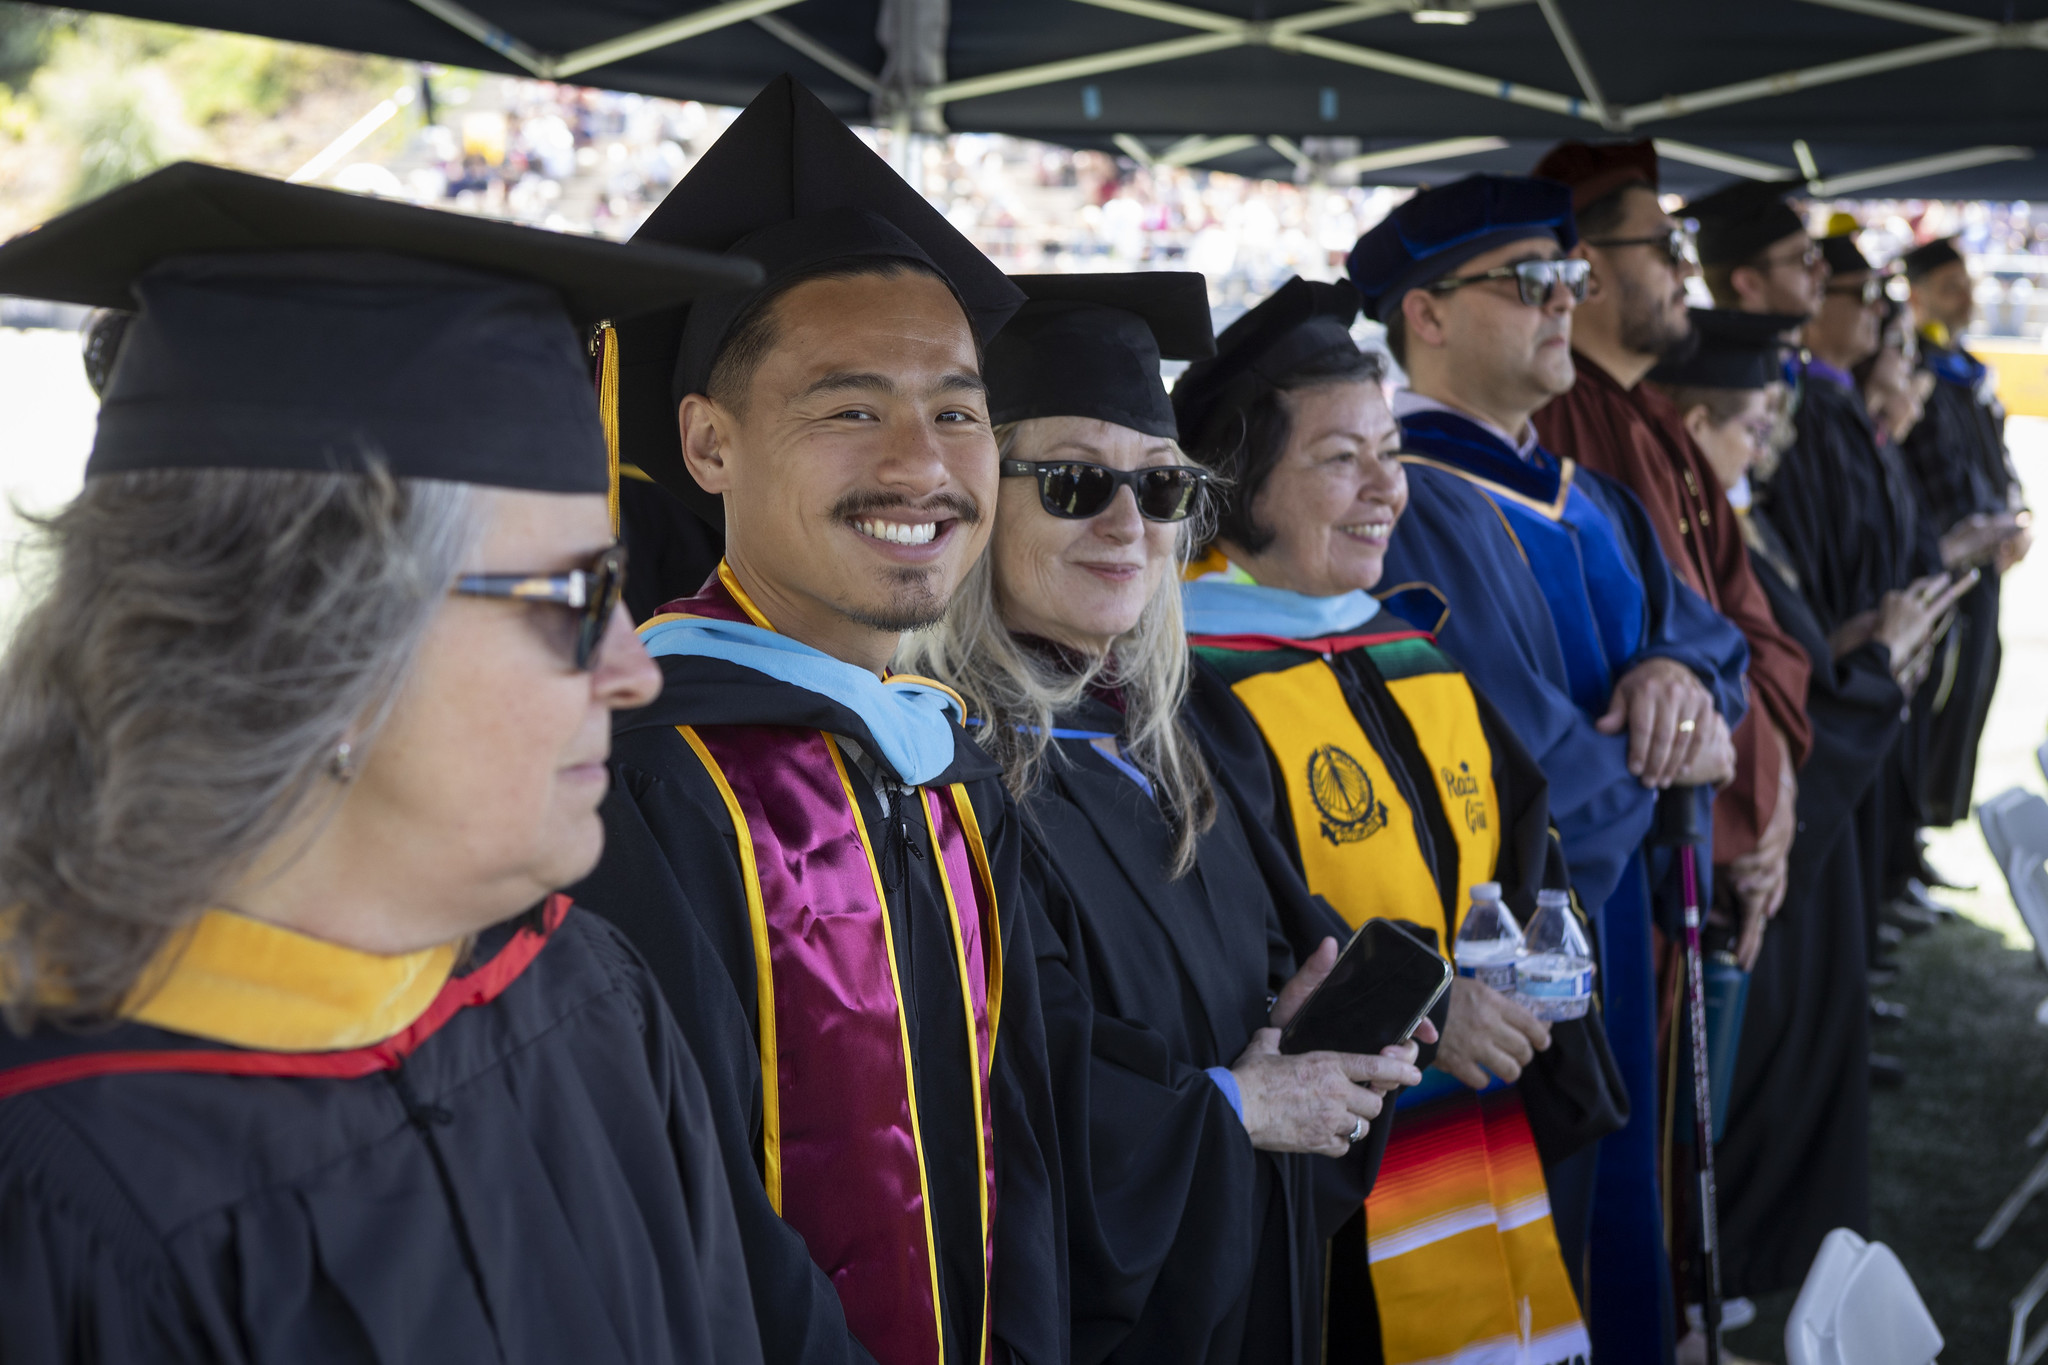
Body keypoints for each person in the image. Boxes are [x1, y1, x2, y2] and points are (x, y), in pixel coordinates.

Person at [0, 163, 766, 1363]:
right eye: (578, 593)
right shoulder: (59, 1183)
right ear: (311, 636)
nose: (635, 667)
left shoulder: (586, 995)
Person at [568, 77, 1063, 1365]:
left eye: (956, 412)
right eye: (850, 409)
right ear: (709, 444)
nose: (921, 464)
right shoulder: (639, 774)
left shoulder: (946, 765)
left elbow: (1024, 1155)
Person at [900, 270, 1427, 1363]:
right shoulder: (942, 775)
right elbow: (1000, 1110)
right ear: (973, 493)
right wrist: (1236, 1108)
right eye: (1070, 483)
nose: (1126, 524)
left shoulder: (1173, 739)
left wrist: (1315, 1035)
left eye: (1160, 488)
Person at [1349, 175, 1750, 1365]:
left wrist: (1681, 679)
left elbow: (1707, 634)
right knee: (1547, 1225)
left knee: (1621, 1212)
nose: (1563, 302)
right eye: (1531, 282)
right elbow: (1524, 762)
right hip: (1510, 952)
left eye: (1571, 280)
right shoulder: (1403, 503)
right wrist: (1681, 761)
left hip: (1623, 922)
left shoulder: (1598, 499)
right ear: (1423, 312)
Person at [1169, 276, 1603, 1365]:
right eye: (1338, 459)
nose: (1384, 491)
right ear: (1239, 479)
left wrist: (1530, 972)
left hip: (1481, 1117)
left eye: (1389, 453)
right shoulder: (1187, 681)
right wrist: (1422, 1011)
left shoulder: (1406, 643)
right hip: (1335, 1158)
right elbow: (1230, 927)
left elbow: (1524, 844)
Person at [1646, 307, 1971, 1300]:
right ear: (1691, 427)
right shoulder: (1678, 531)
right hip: (1748, 855)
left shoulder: (1736, 527)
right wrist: (1867, 663)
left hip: (1798, 839)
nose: (1768, 443)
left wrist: (1870, 648)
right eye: (1751, 423)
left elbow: (1784, 667)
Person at [1531, 139, 1812, 973]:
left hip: (1720, 814)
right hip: (1644, 866)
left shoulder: (1653, 417)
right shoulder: (1558, 430)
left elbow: (1750, 625)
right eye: (1665, 247)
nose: (1687, 270)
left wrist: (1775, 787)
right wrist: (1753, 798)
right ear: (1588, 265)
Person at [1899, 236, 2032, 827]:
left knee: (1972, 689)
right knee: (1933, 701)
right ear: (1918, 297)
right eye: (1950, 288)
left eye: (1967, 285)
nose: (1965, 298)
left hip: (1985, 564)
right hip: (1939, 566)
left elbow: (1999, 462)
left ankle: (1933, 825)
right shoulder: (1917, 374)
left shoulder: (1969, 369)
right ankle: (1912, 836)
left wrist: (2018, 514)